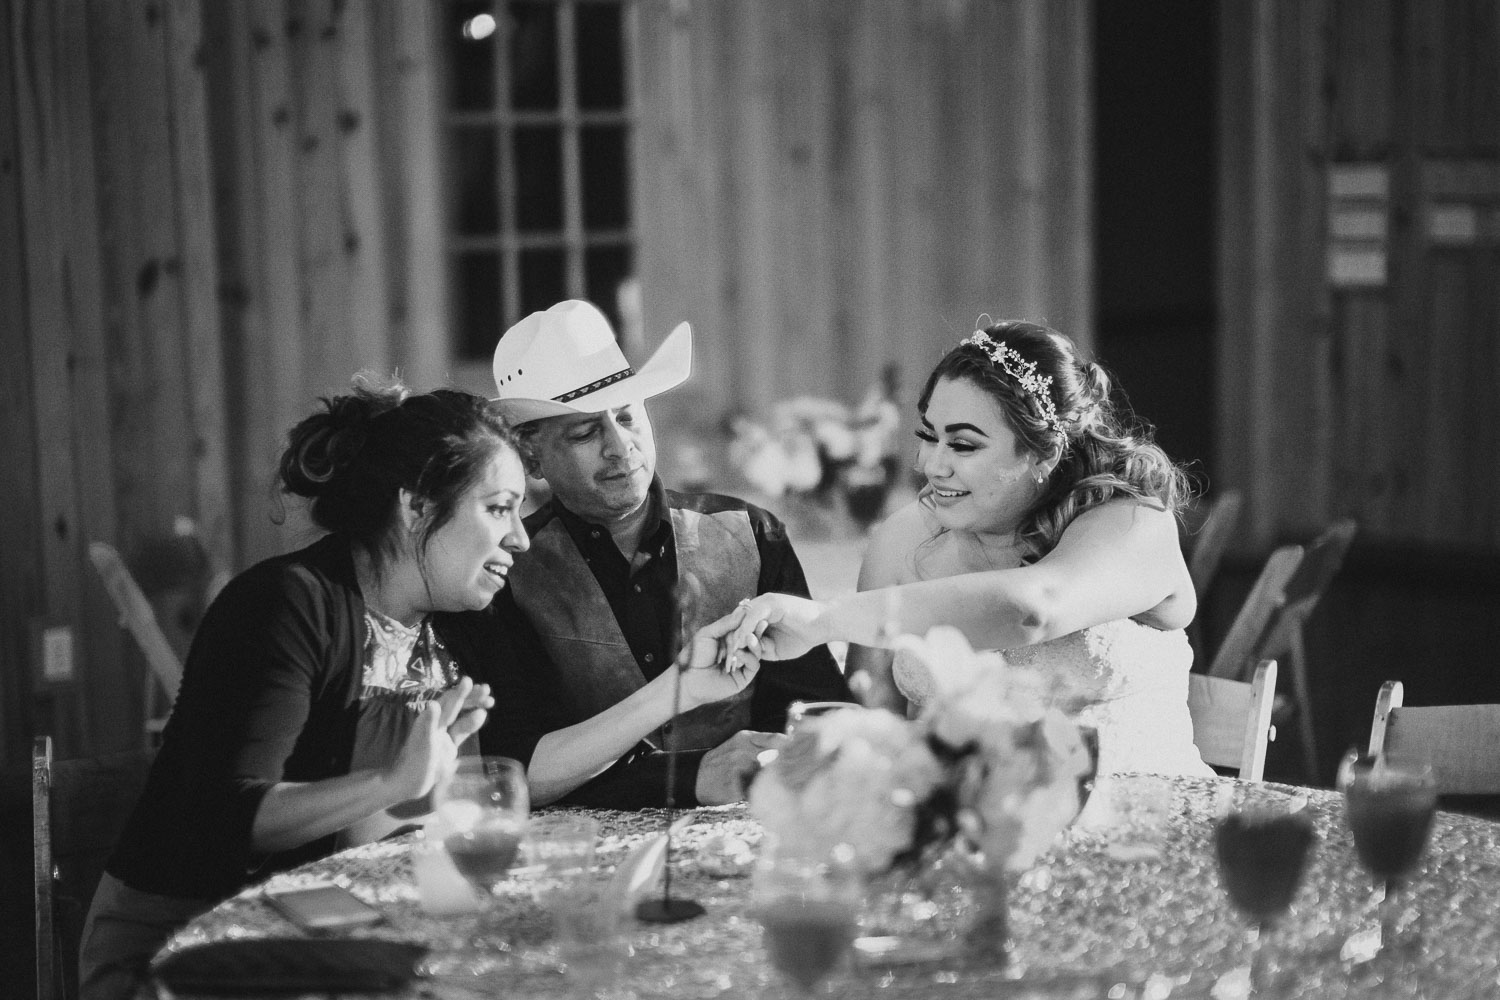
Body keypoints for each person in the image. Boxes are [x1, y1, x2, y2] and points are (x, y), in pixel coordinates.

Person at [79, 376, 757, 1000]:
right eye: (498, 509)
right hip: (190, 946)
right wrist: (390, 785)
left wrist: (682, 689)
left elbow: (524, 771)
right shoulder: (288, 607)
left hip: (348, 930)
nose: (520, 538)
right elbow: (227, 817)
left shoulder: (460, 617)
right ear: (416, 507)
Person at [688, 320, 1214, 778]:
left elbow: (1033, 609)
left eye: (963, 444)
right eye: (928, 436)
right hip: (973, 848)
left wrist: (825, 620)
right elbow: (873, 727)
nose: (931, 464)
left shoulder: (1132, 522)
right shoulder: (902, 540)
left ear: (1044, 452)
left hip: (1147, 834)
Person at [447, 299, 851, 808]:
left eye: (627, 416)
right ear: (532, 456)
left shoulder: (749, 532)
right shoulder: (506, 572)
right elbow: (515, 770)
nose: (621, 446)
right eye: (586, 432)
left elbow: (814, 712)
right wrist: (688, 777)